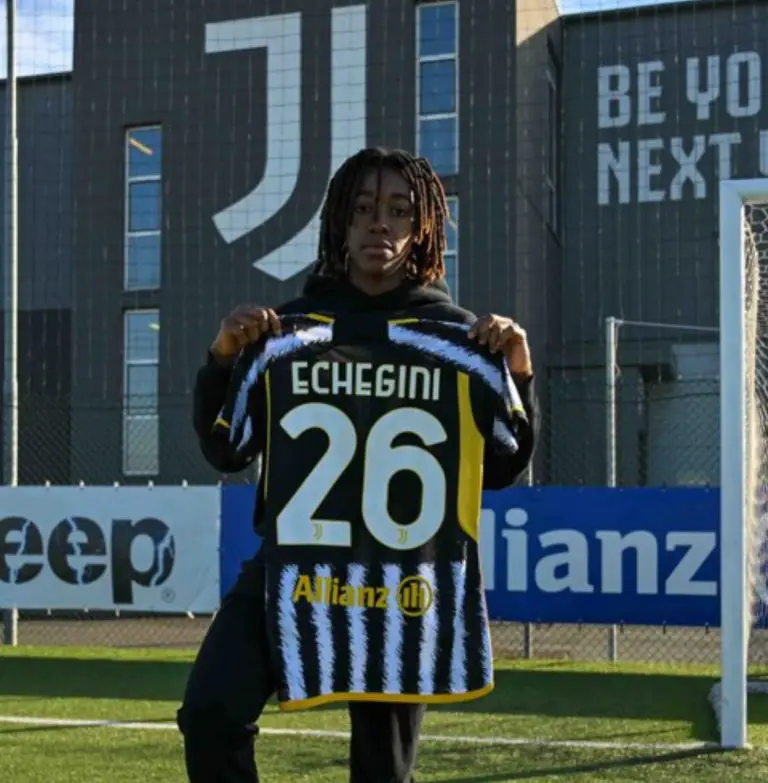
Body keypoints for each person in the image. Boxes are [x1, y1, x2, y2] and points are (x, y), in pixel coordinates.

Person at [178, 147, 538, 783]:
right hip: (291, 573)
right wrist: (223, 359)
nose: (380, 224)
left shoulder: (458, 338)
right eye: (365, 208)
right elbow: (226, 450)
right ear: (339, 223)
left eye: (399, 211)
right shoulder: (286, 333)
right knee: (209, 713)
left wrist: (518, 372)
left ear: (422, 229)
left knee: (381, 774)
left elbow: (502, 469)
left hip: (401, 586)